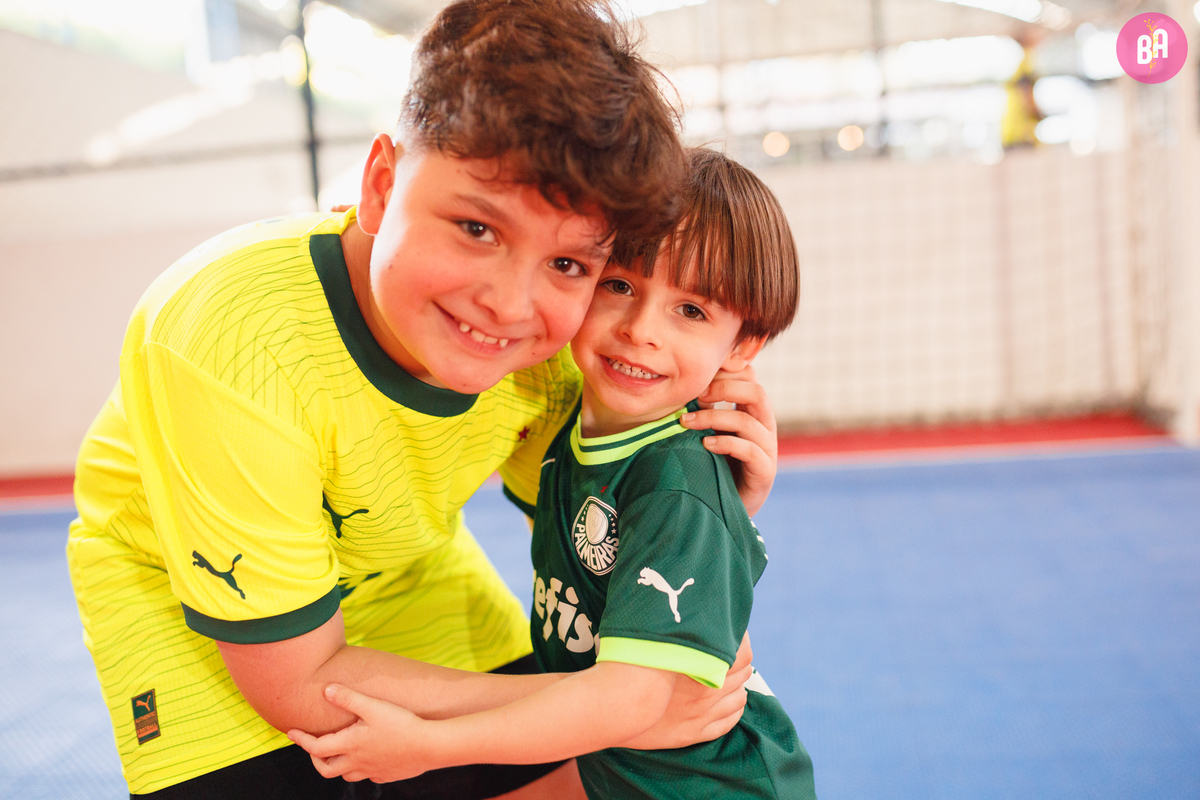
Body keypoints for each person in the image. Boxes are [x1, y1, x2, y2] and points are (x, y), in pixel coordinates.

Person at [66, 2, 780, 798]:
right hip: (199, 617)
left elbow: (613, 533)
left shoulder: (552, 347)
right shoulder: (231, 344)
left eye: (572, 264)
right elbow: (298, 683)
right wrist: (623, 707)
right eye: (477, 228)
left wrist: (711, 496)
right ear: (379, 184)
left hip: (406, 572)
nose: (511, 304)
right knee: (605, 731)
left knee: (616, 774)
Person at [288, 148, 816, 799]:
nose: (640, 330)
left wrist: (430, 746)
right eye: (619, 286)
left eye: (692, 311)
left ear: (741, 346)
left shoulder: (675, 483)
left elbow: (627, 701)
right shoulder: (578, 433)